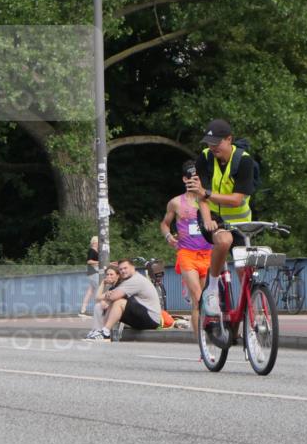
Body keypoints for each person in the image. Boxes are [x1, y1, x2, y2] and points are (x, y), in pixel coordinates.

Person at [185, 119, 256, 318]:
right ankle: (212, 289)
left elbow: (236, 200)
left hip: (240, 220)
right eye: (209, 142)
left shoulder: (244, 161)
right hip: (213, 216)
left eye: (217, 142)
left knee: (245, 270)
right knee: (224, 241)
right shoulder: (205, 158)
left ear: (229, 139)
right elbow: (200, 195)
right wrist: (207, 219)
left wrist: (205, 193)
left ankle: (249, 319)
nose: (212, 146)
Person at [162, 160, 214, 335]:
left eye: (197, 179)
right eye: (191, 178)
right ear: (185, 179)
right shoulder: (176, 203)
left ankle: (204, 339)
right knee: (198, 296)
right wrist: (169, 236)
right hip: (187, 255)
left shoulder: (208, 201)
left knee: (204, 298)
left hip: (207, 254)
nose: (194, 182)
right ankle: (202, 339)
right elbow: (164, 224)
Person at [86, 259, 162, 341]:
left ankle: (105, 333)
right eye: (121, 269)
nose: (123, 271)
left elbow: (113, 297)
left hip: (151, 319)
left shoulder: (135, 280)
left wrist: (109, 296)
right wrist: (109, 295)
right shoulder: (128, 281)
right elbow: (104, 297)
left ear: (133, 267)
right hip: (143, 316)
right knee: (104, 304)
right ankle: (101, 331)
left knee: (119, 302)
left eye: (125, 268)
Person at [84, 265, 121, 340]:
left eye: (111, 274)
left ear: (117, 276)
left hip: (121, 311)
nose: (109, 276)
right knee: (99, 305)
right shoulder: (112, 287)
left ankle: (99, 331)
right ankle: (97, 330)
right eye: (107, 274)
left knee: (99, 305)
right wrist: (103, 283)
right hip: (114, 309)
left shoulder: (120, 286)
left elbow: (98, 298)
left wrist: (106, 302)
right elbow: (97, 298)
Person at [79, 236, 99, 316]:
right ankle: (98, 310)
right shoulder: (92, 250)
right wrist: (99, 262)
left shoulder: (96, 250)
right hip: (93, 272)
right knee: (98, 289)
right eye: (98, 242)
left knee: (90, 291)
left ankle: (83, 310)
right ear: (94, 242)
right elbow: (89, 261)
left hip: (92, 272)